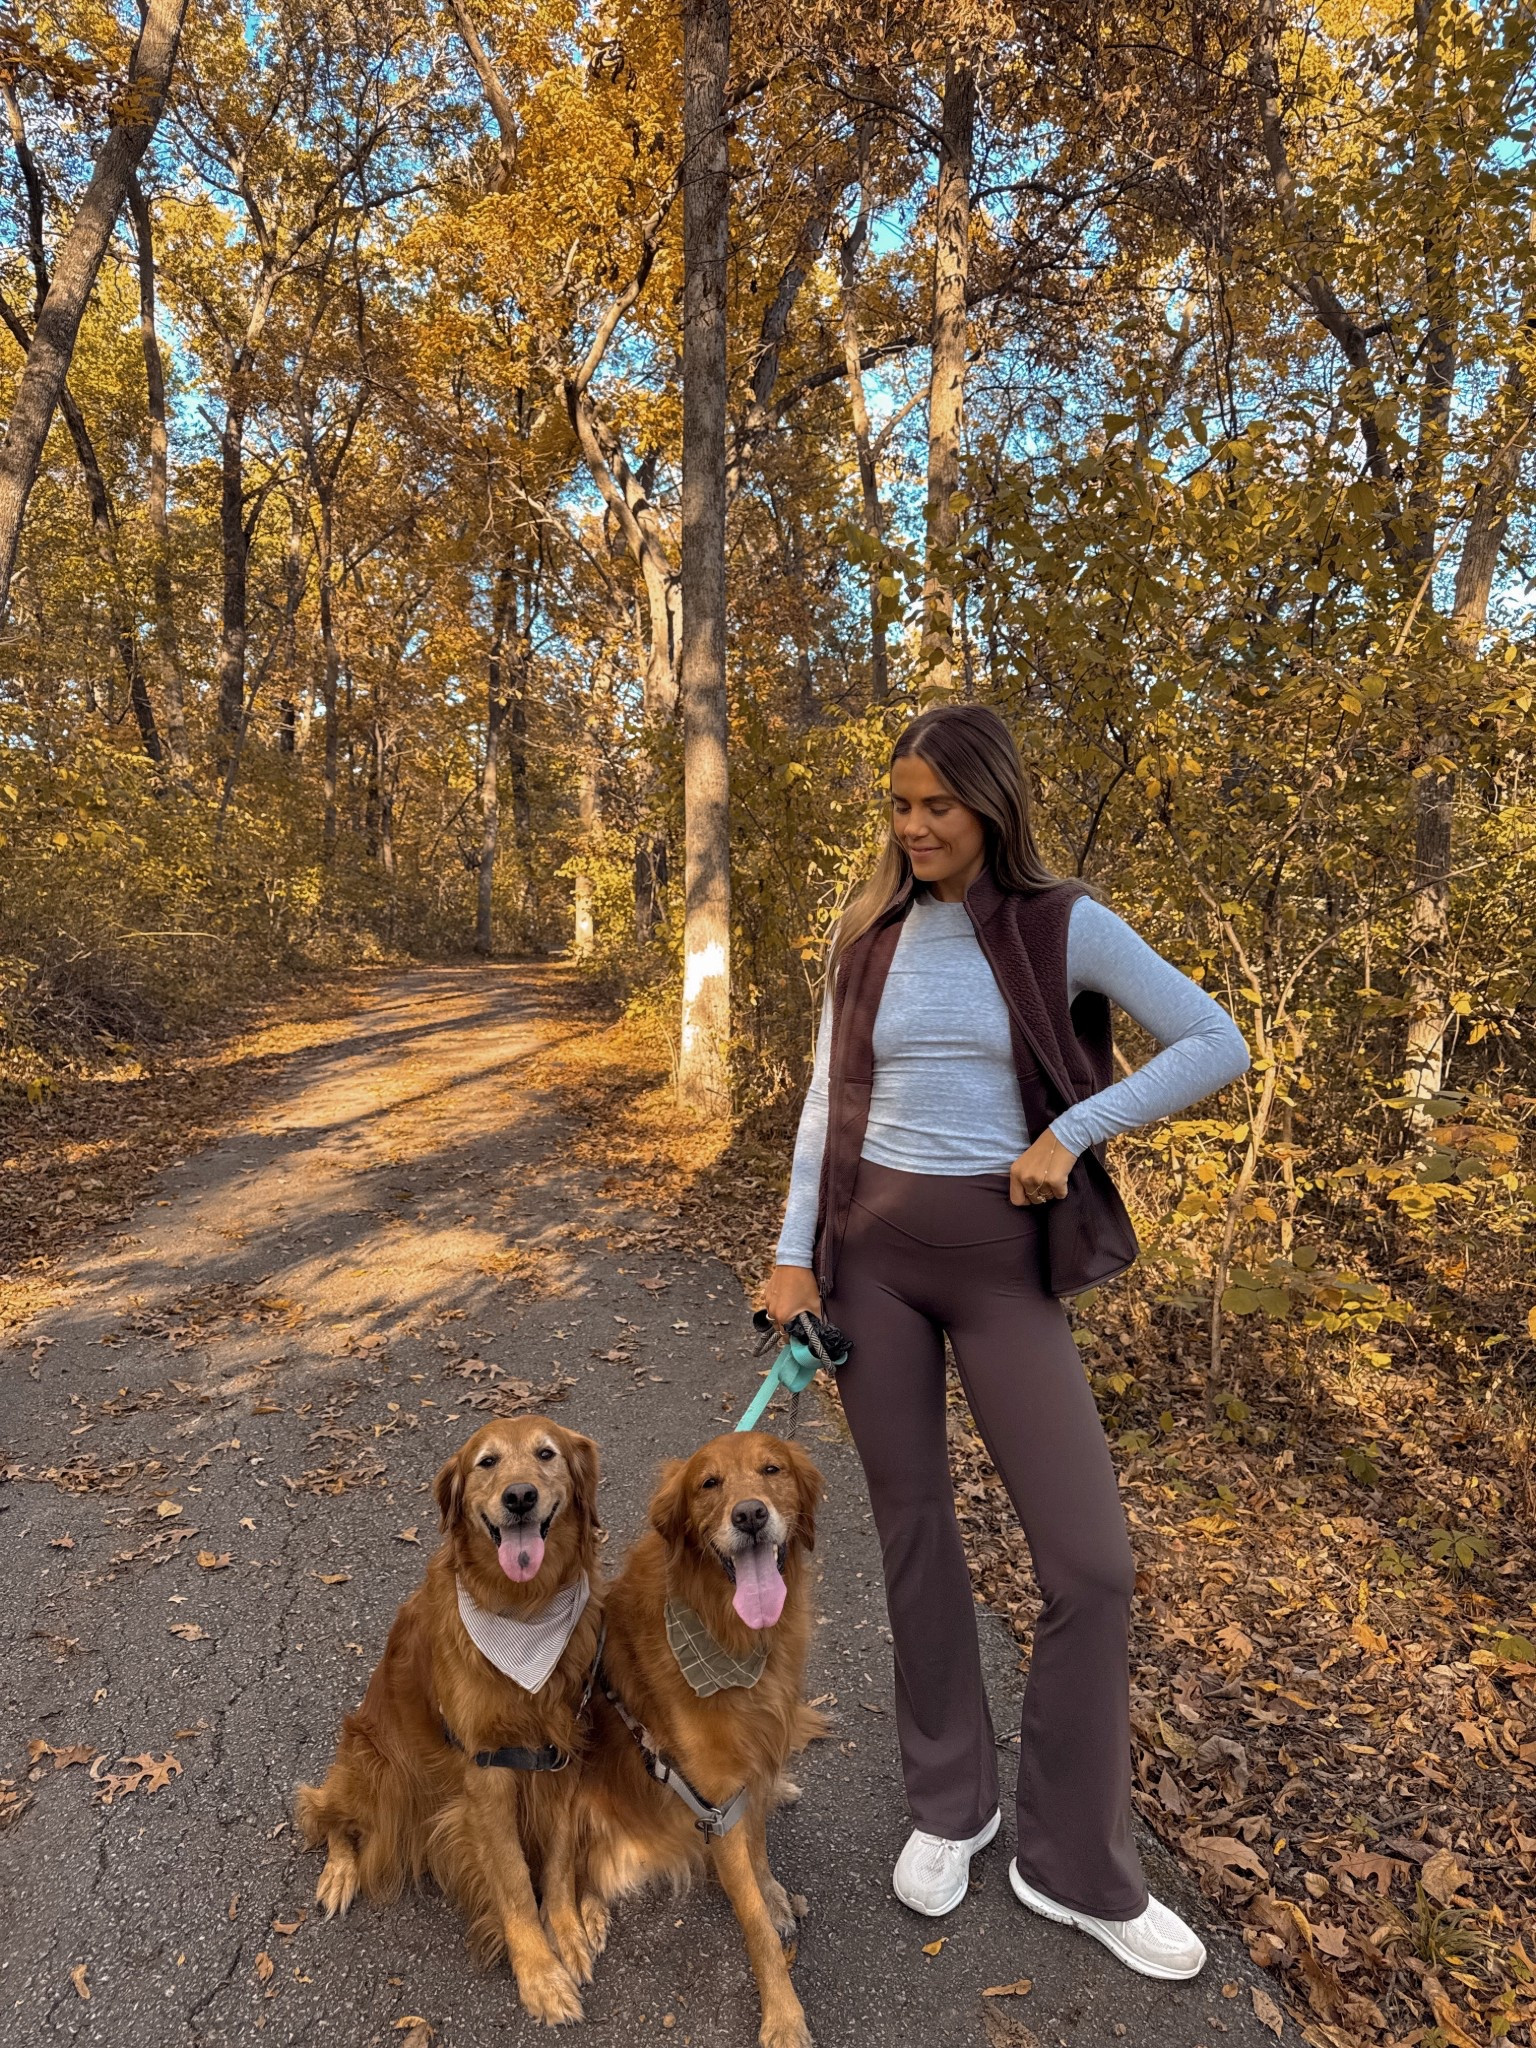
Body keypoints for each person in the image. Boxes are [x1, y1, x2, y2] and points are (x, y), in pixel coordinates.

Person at [762, 704, 1250, 1981]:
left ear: (992, 804)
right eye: (900, 804)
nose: (915, 827)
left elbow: (1216, 1040)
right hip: (870, 1261)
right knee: (915, 1527)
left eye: (939, 804)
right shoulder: (867, 937)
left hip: (1001, 1268)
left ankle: (1074, 1862)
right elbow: (826, 1100)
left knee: (1091, 1563)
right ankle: (950, 1804)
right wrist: (790, 1251)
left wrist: (1074, 1128)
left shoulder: (1059, 922)